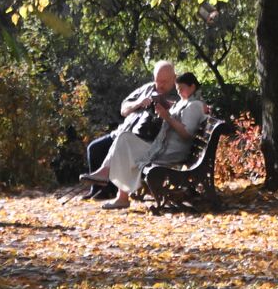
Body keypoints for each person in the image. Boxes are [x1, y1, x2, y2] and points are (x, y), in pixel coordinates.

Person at [80, 72, 206, 209]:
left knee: (125, 142)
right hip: (163, 146)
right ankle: (112, 183)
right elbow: (179, 114)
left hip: (171, 151)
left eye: (182, 89)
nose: (179, 92)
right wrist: (164, 106)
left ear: (192, 87)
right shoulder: (187, 102)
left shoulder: (195, 105)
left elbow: (186, 133)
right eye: (177, 90)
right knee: (124, 138)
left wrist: (167, 117)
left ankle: (115, 188)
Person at [82, 61, 178, 200]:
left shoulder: (178, 94)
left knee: (122, 146)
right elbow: (123, 109)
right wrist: (138, 103)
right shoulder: (147, 89)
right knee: (95, 148)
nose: (160, 85)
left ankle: (111, 189)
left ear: (174, 78)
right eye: (157, 81)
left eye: (164, 81)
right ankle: (99, 190)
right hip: (123, 132)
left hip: (142, 139)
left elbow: (183, 110)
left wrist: (164, 105)